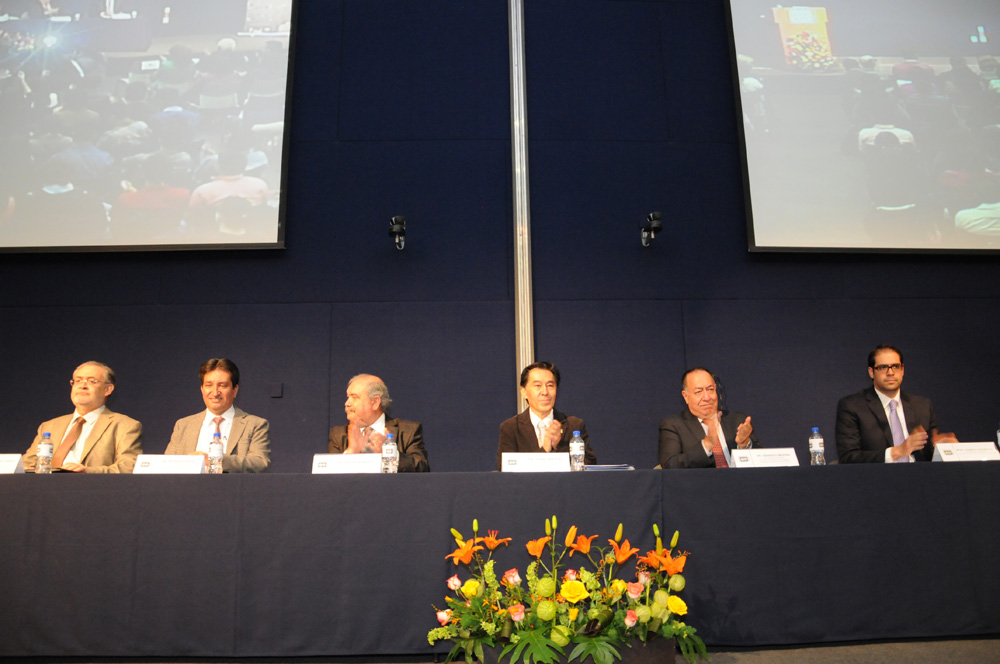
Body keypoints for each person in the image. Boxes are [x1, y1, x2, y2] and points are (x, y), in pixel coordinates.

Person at [836, 345, 955, 464]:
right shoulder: (853, 406)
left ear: (902, 370)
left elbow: (929, 456)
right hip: (878, 475)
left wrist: (943, 449)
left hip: (919, 474)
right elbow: (848, 457)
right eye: (883, 367)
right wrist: (896, 452)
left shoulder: (922, 406)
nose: (890, 372)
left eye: (896, 366)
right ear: (871, 372)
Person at [22, 361, 143, 473]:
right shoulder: (49, 426)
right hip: (46, 486)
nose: (83, 385)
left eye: (92, 381)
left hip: (89, 486)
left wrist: (87, 471)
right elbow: (27, 463)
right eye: (78, 381)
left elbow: (129, 466)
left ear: (107, 389)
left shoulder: (125, 426)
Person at [164, 358, 271, 472]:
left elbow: (260, 463)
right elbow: (166, 465)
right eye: (208, 385)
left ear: (235, 390)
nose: (215, 392)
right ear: (202, 390)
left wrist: (216, 460)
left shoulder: (255, 424)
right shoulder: (183, 425)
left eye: (222, 385)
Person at [496, 361, 596, 471]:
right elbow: (505, 471)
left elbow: (589, 466)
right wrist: (545, 449)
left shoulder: (574, 425)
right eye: (537, 386)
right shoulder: (511, 428)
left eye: (550, 385)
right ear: (524, 391)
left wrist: (559, 445)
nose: (545, 392)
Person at [658, 367, 758, 469]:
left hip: (739, 479)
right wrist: (707, 444)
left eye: (710, 389)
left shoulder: (737, 420)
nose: (707, 397)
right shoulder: (673, 425)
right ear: (686, 396)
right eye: (698, 392)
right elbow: (670, 465)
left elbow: (762, 463)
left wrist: (744, 445)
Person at [328, 374, 429, 472]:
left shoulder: (408, 431)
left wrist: (389, 454)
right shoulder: (338, 434)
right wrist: (350, 453)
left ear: (375, 402)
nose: (347, 403)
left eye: (354, 397)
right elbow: (328, 476)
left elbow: (422, 467)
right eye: (347, 397)